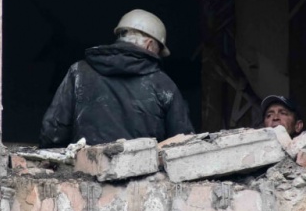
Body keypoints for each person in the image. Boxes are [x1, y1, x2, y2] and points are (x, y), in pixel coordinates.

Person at [38, 9, 195, 147]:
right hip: (144, 171)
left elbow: (52, 134)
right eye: (158, 51)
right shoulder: (164, 85)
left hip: (85, 169)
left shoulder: (78, 71)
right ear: (149, 44)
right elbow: (184, 144)